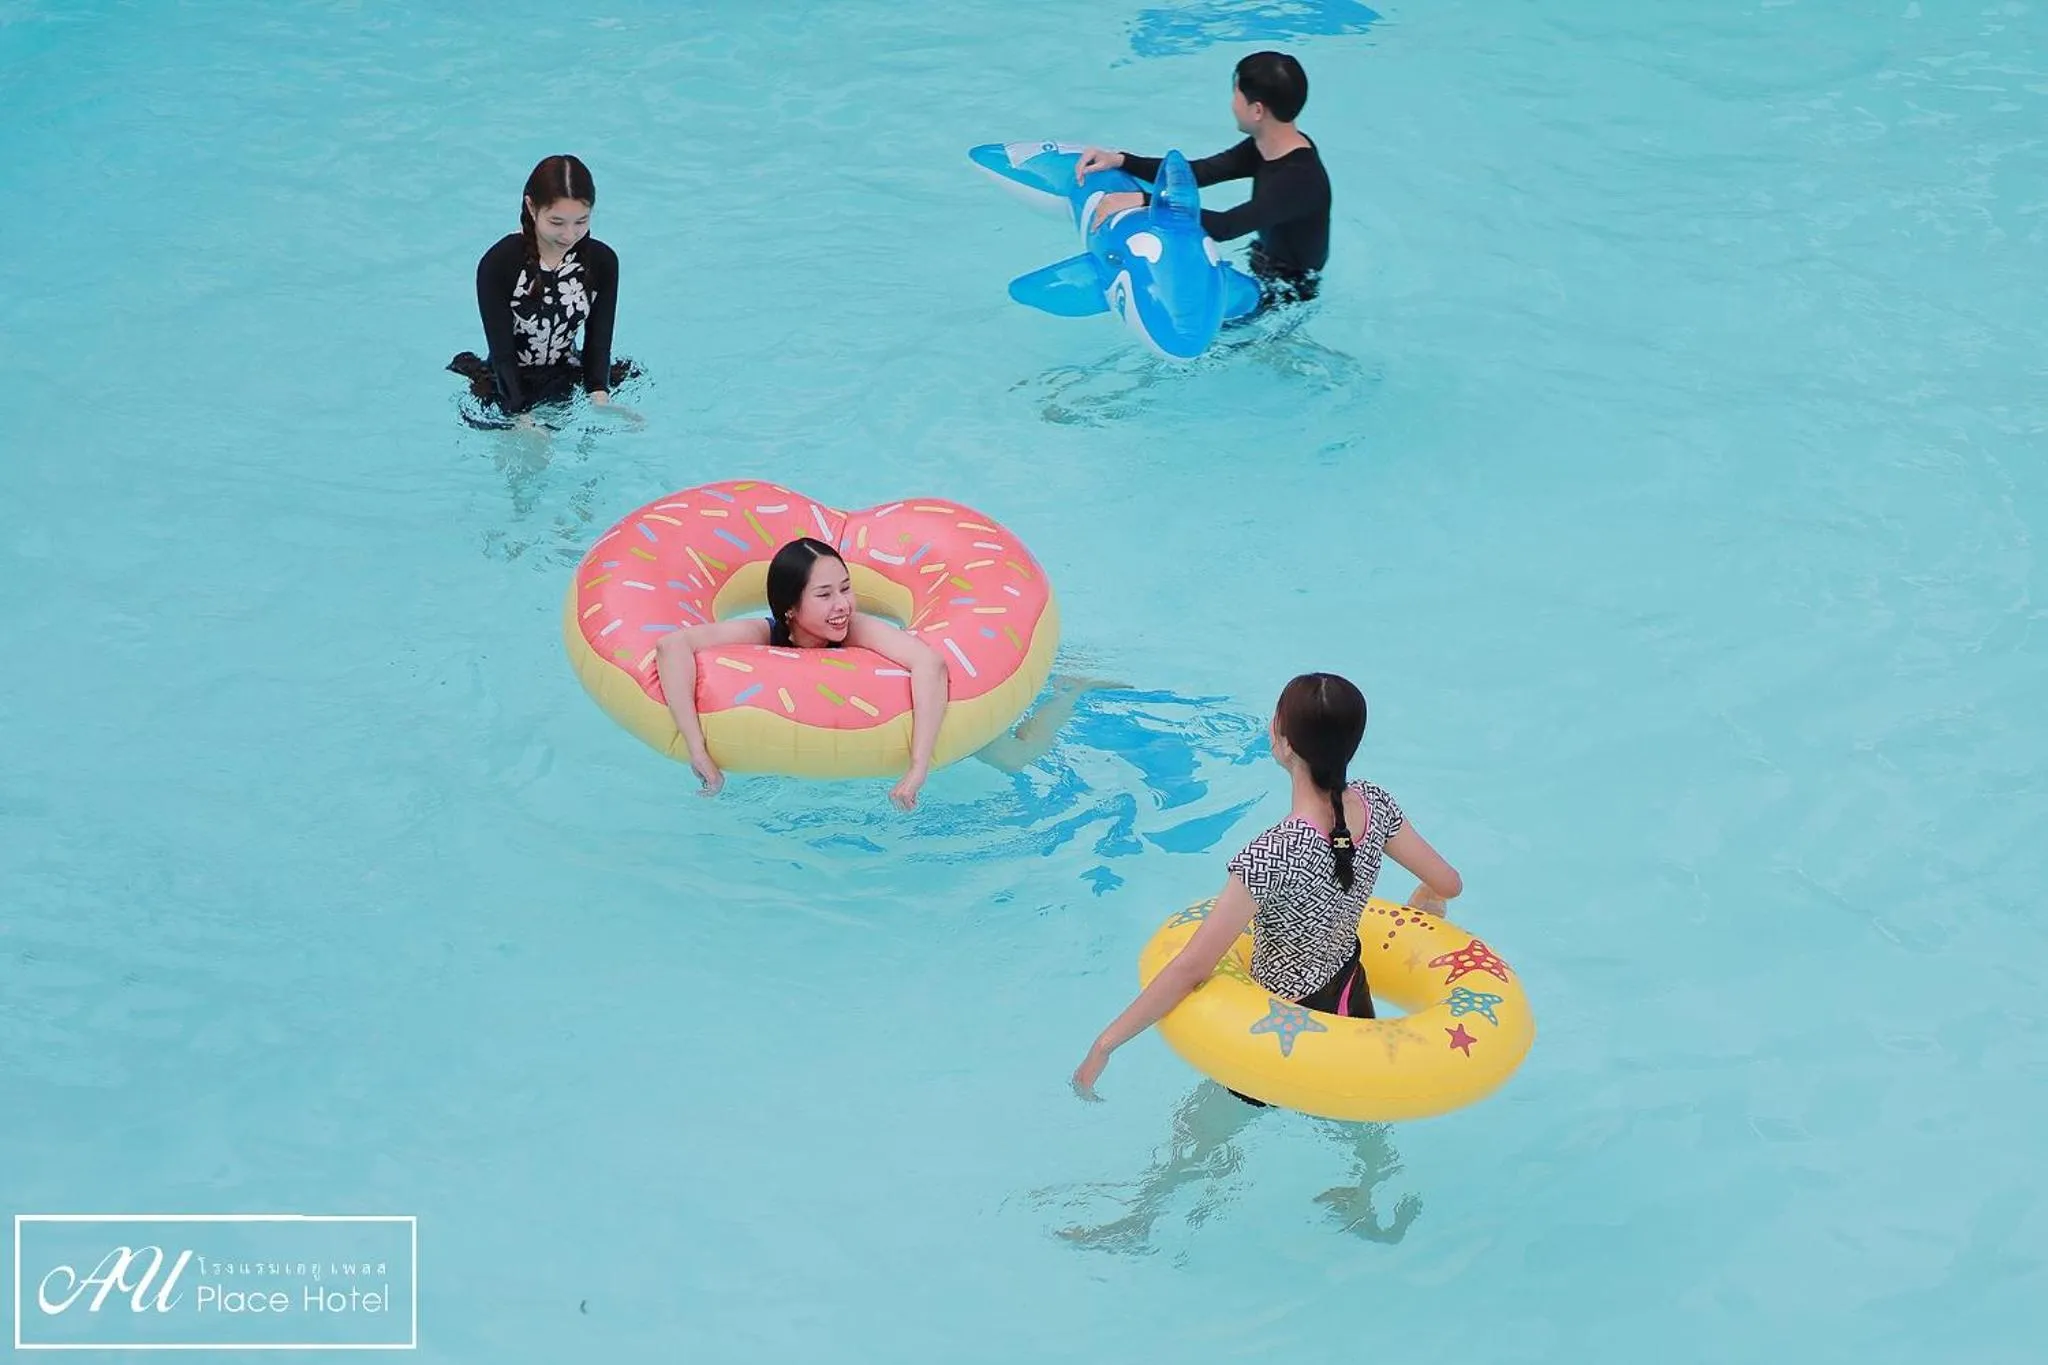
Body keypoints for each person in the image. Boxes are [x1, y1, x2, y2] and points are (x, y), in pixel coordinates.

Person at [1049, 672, 1461, 1248]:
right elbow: (1447, 881)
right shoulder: (1378, 806)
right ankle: (1367, 1200)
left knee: (1196, 1133)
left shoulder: (1272, 854)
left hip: (1275, 1024)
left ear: (1281, 739)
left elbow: (1193, 968)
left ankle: (1139, 1221)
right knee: (1358, 1113)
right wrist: (1425, 908)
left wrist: (1106, 1043)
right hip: (1348, 994)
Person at [653, 538, 950, 811]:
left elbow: (930, 664)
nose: (842, 605)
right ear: (791, 608)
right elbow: (672, 646)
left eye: (845, 588)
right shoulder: (764, 634)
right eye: (824, 594)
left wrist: (917, 768)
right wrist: (697, 750)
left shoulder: (856, 629)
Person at [1074, 51, 1331, 308]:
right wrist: (1121, 160)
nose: (1232, 104)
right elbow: (1199, 173)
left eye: (1236, 95)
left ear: (1257, 110)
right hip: (1265, 261)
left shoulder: (1298, 181)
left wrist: (1143, 200)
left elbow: (1225, 226)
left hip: (1289, 293)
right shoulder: (1270, 145)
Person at [448, 154, 635, 423]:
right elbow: (503, 355)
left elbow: (598, 343)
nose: (569, 235)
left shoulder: (603, 262)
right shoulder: (499, 264)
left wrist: (600, 400)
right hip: (507, 384)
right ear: (532, 207)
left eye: (581, 221)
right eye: (557, 222)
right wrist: (522, 419)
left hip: (568, 375)